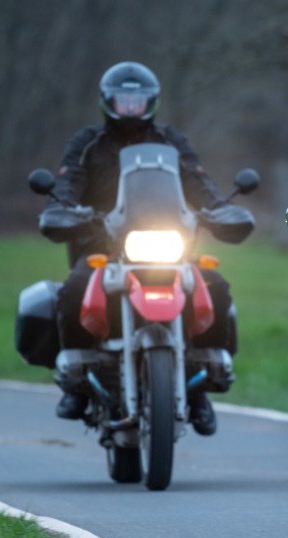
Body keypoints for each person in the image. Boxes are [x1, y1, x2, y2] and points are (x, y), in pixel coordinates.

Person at [42, 61, 237, 435]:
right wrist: (61, 208)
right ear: (107, 102)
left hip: (170, 245)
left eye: (138, 101)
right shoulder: (88, 144)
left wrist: (220, 207)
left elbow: (200, 184)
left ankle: (199, 388)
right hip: (105, 248)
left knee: (216, 287)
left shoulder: (171, 142)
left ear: (152, 102)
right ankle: (77, 385)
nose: (131, 108)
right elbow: (68, 185)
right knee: (73, 291)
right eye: (123, 100)